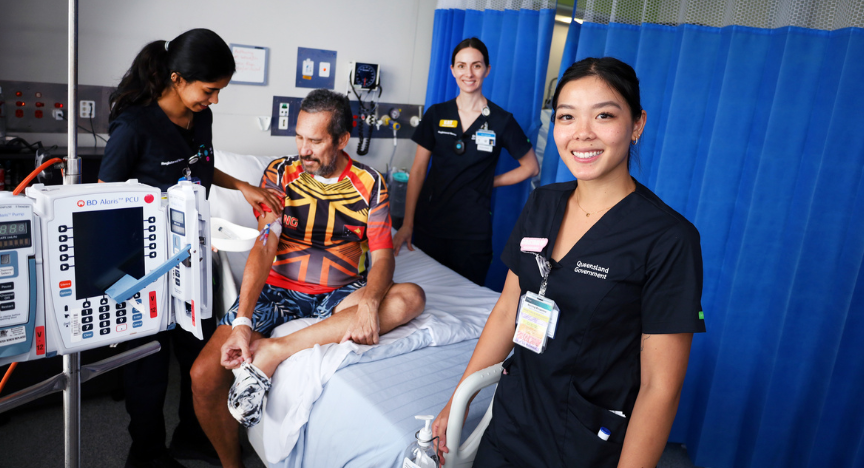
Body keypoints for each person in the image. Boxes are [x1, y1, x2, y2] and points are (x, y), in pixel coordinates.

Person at [430, 57, 707, 468]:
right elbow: (508, 311)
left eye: (604, 115)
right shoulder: (542, 203)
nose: (582, 134)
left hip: (584, 446)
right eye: (567, 116)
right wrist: (459, 402)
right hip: (509, 425)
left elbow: (659, 389)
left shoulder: (668, 238)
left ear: (637, 125)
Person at [190, 89, 427, 468]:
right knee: (203, 375)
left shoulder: (371, 184)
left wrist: (368, 301)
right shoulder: (281, 175)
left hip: (340, 293)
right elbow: (265, 245)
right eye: (299, 137)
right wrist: (243, 322)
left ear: (342, 139)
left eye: (315, 141)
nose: (303, 149)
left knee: (411, 298)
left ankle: (277, 350)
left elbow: (383, 256)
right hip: (279, 290)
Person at [99, 29, 282, 468]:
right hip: (145, 266)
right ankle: (145, 454)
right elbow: (107, 198)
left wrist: (243, 187)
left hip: (194, 257)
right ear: (177, 78)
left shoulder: (201, 117)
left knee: (193, 351)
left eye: (220, 91)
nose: (214, 100)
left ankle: (192, 436)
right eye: (210, 90)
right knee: (149, 365)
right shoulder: (134, 126)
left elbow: (201, 163)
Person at [392, 37, 539, 286]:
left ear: (487, 70)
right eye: (461, 66)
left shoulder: (501, 120)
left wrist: (489, 182)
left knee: (464, 298)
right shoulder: (437, 115)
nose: (468, 73)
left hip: (472, 232)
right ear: (452, 70)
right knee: (423, 296)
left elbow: (531, 167)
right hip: (430, 225)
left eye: (476, 65)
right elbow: (417, 171)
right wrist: (407, 224)